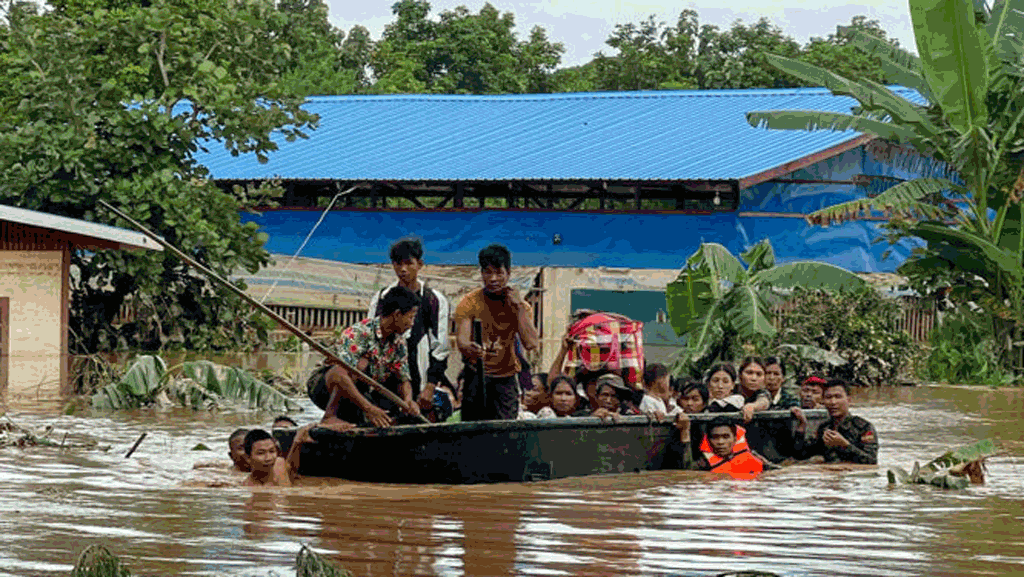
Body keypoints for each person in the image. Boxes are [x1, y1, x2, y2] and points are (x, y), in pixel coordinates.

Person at [307, 286, 422, 428]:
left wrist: (408, 401)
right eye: (410, 317)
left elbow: (403, 378)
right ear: (397, 314)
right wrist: (369, 409)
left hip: (360, 392)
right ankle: (330, 416)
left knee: (386, 417)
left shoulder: (399, 342)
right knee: (358, 365)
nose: (412, 324)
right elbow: (339, 374)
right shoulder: (359, 333)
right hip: (324, 386)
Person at [454, 244, 539, 421]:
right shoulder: (469, 302)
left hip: (506, 378)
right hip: (476, 375)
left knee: (504, 432)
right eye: (488, 272)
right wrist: (470, 348)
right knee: (473, 432)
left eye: (499, 273)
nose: (493, 279)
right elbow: (462, 341)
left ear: (508, 273)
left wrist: (519, 308)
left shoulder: (520, 306)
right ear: (481, 273)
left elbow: (531, 344)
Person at [367, 238, 451, 415]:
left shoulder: (434, 300)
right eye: (398, 264)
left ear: (419, 264)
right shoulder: (381, 297)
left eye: (408, 263)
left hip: (420, 380)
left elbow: (440, 348)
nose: (403, 269)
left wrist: (430, 386)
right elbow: (371, 337)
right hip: (384, 380)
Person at [791, 379, 878, 464]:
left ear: (849, 400)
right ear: (823, 401)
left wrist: (844, 445)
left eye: (838, 397)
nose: (833, 402)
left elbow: (871, 461)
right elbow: (800, 455)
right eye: (828, 398)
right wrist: (802, 426)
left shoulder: (863, 427)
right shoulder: (824, 428)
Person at [671, 415, 764, 479]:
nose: (720, 442)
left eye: (726, 437)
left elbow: (776, 471)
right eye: (715, 438)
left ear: (735, 438)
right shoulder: (703, 463)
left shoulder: (754, 457)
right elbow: (686, 473)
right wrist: (685, 432)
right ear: (708, 440)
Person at [736, 356, 771, 422]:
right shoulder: (732, 389)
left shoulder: (763, 392)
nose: (754, 378)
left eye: (759, 374)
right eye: (749, 373)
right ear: (740, 375)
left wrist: (752, 406)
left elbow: (764, 401)